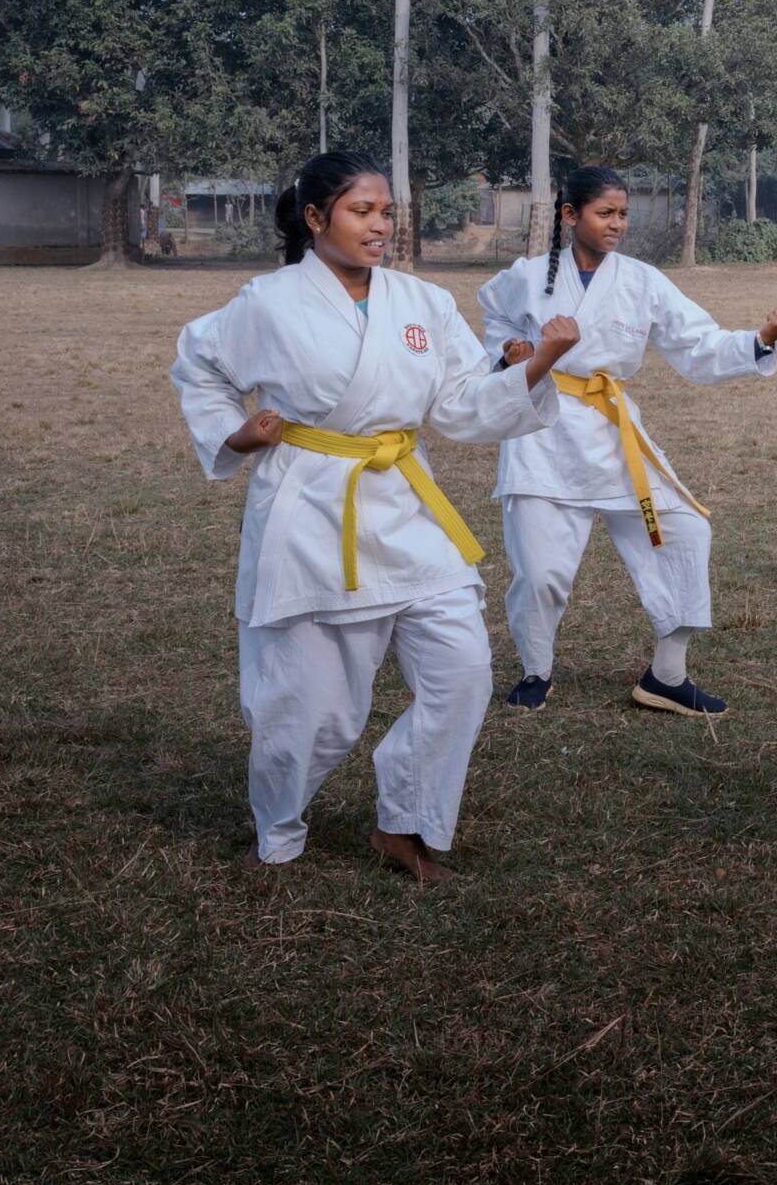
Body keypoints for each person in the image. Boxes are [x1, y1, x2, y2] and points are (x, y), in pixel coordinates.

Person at [170, 151, 576, 880]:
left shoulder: (421, 303)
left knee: (462, 673)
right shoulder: (268, 302)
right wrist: (233, 434)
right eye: (363, 211)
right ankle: (281, 831)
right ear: (316, 217)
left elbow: (456, 404)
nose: (381, 225)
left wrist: (536, 366)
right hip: (312, 511)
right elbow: (198, 361)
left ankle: (406, 825)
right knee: (314, 712)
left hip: (405, 508)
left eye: (388, 212)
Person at [478, 166, 777, 718]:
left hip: (615, 433)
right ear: (570, 216)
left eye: (624, 214)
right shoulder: (526, 276)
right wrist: (509, 347)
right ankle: (536, 670)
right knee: (541, 572)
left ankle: (667, 674)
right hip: (544, 435)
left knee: (686, 531)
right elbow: (495, 315)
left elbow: (696, 342)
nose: (618, 224)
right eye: (605, 213)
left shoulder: (643, 280)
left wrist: (761, 340)